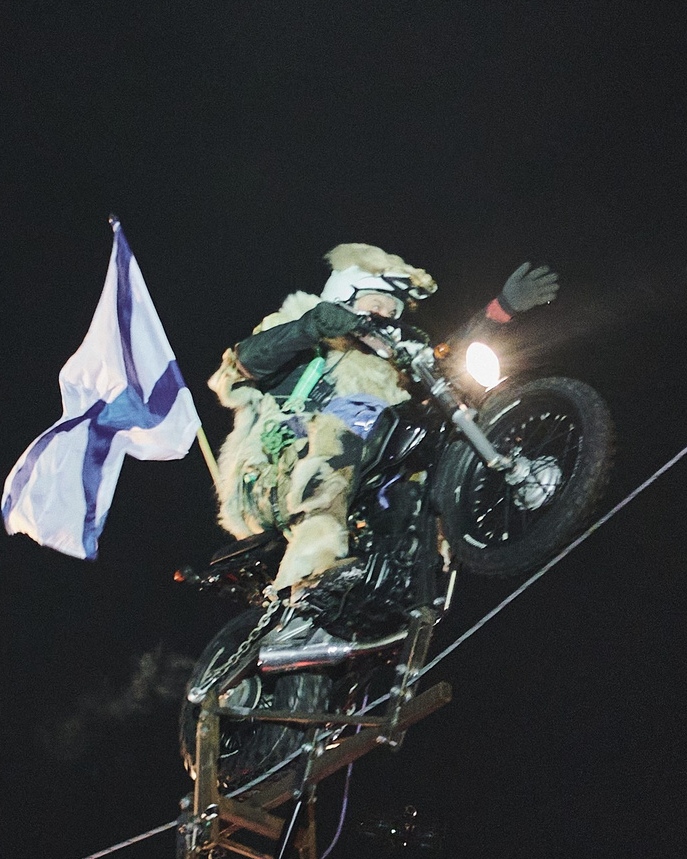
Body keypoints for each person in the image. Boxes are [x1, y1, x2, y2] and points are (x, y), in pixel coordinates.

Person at [205, 245, 558, 663]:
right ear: (346, 296)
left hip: (355, 483)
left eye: (394, 308)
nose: (387, 316)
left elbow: (445, 358)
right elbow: (241, 364)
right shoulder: (310, 330)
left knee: (424, 451)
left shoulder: (393, 364)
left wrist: (500, 310)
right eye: (377, 303)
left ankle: (408, 605)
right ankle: (303, 591)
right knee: (351, 420)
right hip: (272, 471)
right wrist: (311, 326)